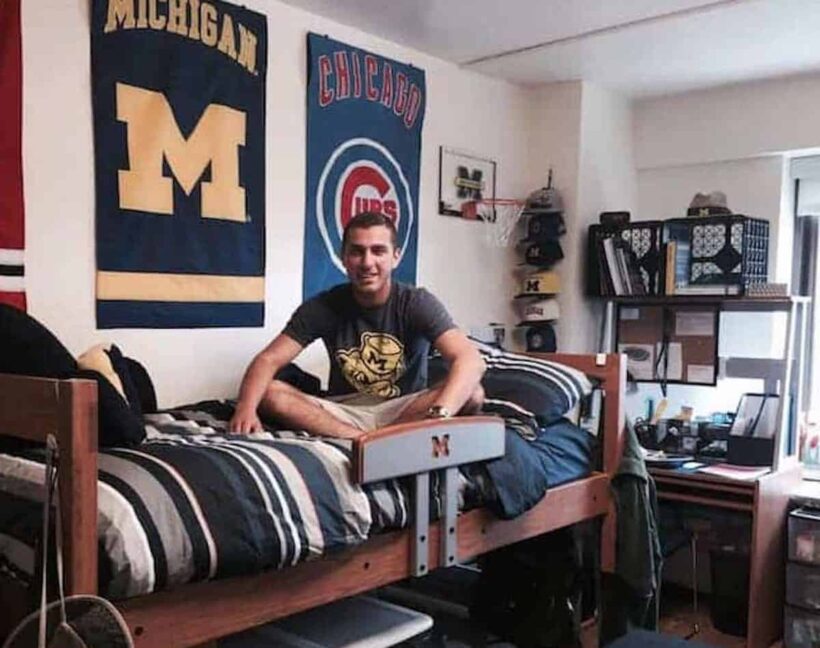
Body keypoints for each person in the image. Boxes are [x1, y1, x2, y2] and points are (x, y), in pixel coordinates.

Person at [229, 212, 486, 438]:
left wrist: (438, 417)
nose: (367, 262)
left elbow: (470, 361)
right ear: (344, 257)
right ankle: (366, 439)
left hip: (405, 410)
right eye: (357, 251)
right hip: (343, 412)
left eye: (378, 251)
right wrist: (246, 410)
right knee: (269, 392)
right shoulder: (323, 306)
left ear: (396, 257)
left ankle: (375, 439)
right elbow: (268, 360)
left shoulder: (416, 302)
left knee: (473, 393)